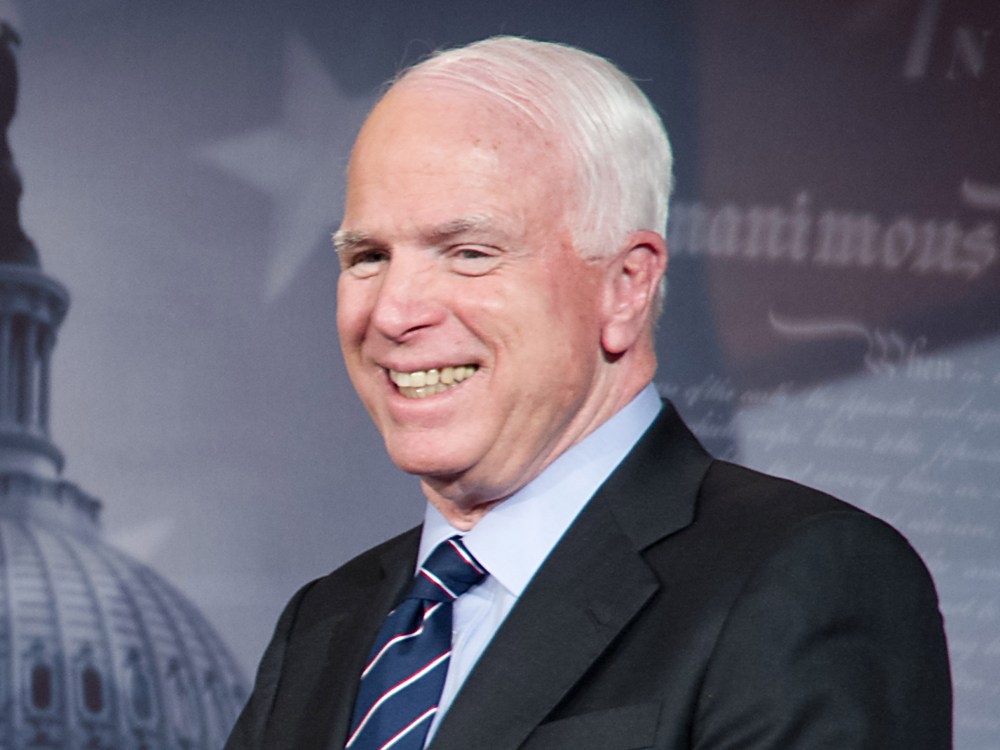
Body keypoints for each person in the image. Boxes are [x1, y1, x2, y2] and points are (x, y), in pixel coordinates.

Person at [225, 36, 951, 750]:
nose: (392, 312)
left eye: (470, 253)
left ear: (626, 286)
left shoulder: (801, 577)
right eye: (367, 257)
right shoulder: (324, 624)